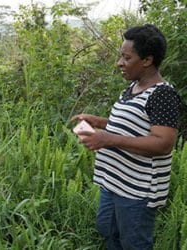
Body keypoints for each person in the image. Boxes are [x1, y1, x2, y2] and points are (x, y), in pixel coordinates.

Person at [71, 24, 182, 249]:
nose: (120, 63)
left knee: (134, 243)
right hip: (113, 182)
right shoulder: (132, 87)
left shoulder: (163, 95)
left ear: (147, 60)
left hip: (137, 191)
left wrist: (107, 139)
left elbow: (163, 143)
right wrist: (99, 122)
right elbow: (131, 126)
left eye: (126, 57)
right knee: (108, 231)